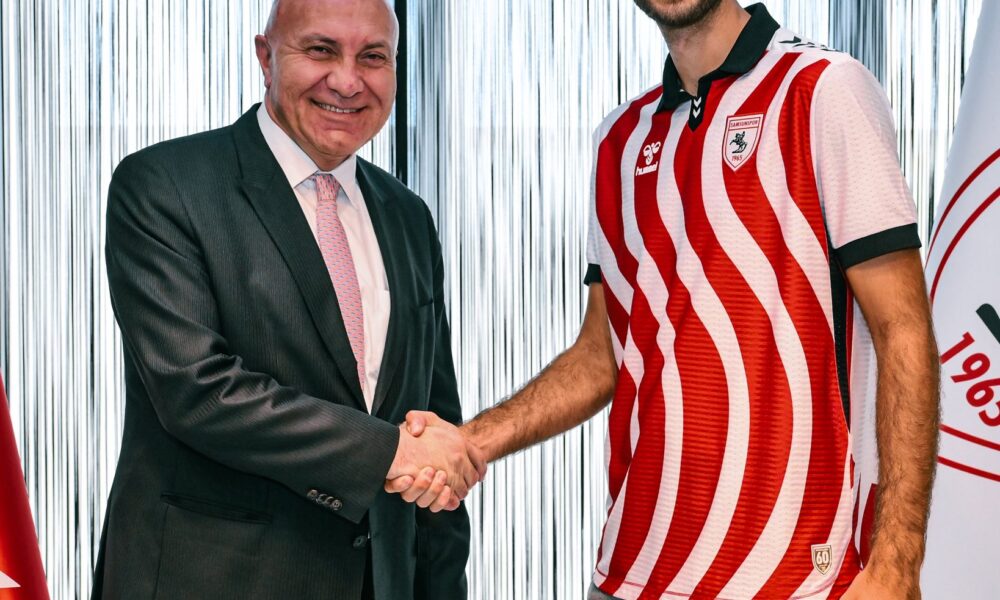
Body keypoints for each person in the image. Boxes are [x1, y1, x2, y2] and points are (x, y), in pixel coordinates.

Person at [390, 1, 940, 598]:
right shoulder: (619, 139)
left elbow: (903, 329)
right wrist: (470, 441)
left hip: (796, 575)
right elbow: (601, 357)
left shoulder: (823, 89)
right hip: (632, 568)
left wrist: (896, 567)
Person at [92, 1, 484, 598]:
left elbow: (433, 418)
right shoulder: (164, 185)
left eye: (373, 57)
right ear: (266, 56)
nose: (347, 81)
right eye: (321, 50)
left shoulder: (408, 216)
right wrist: (389, 453)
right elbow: (197, 390)